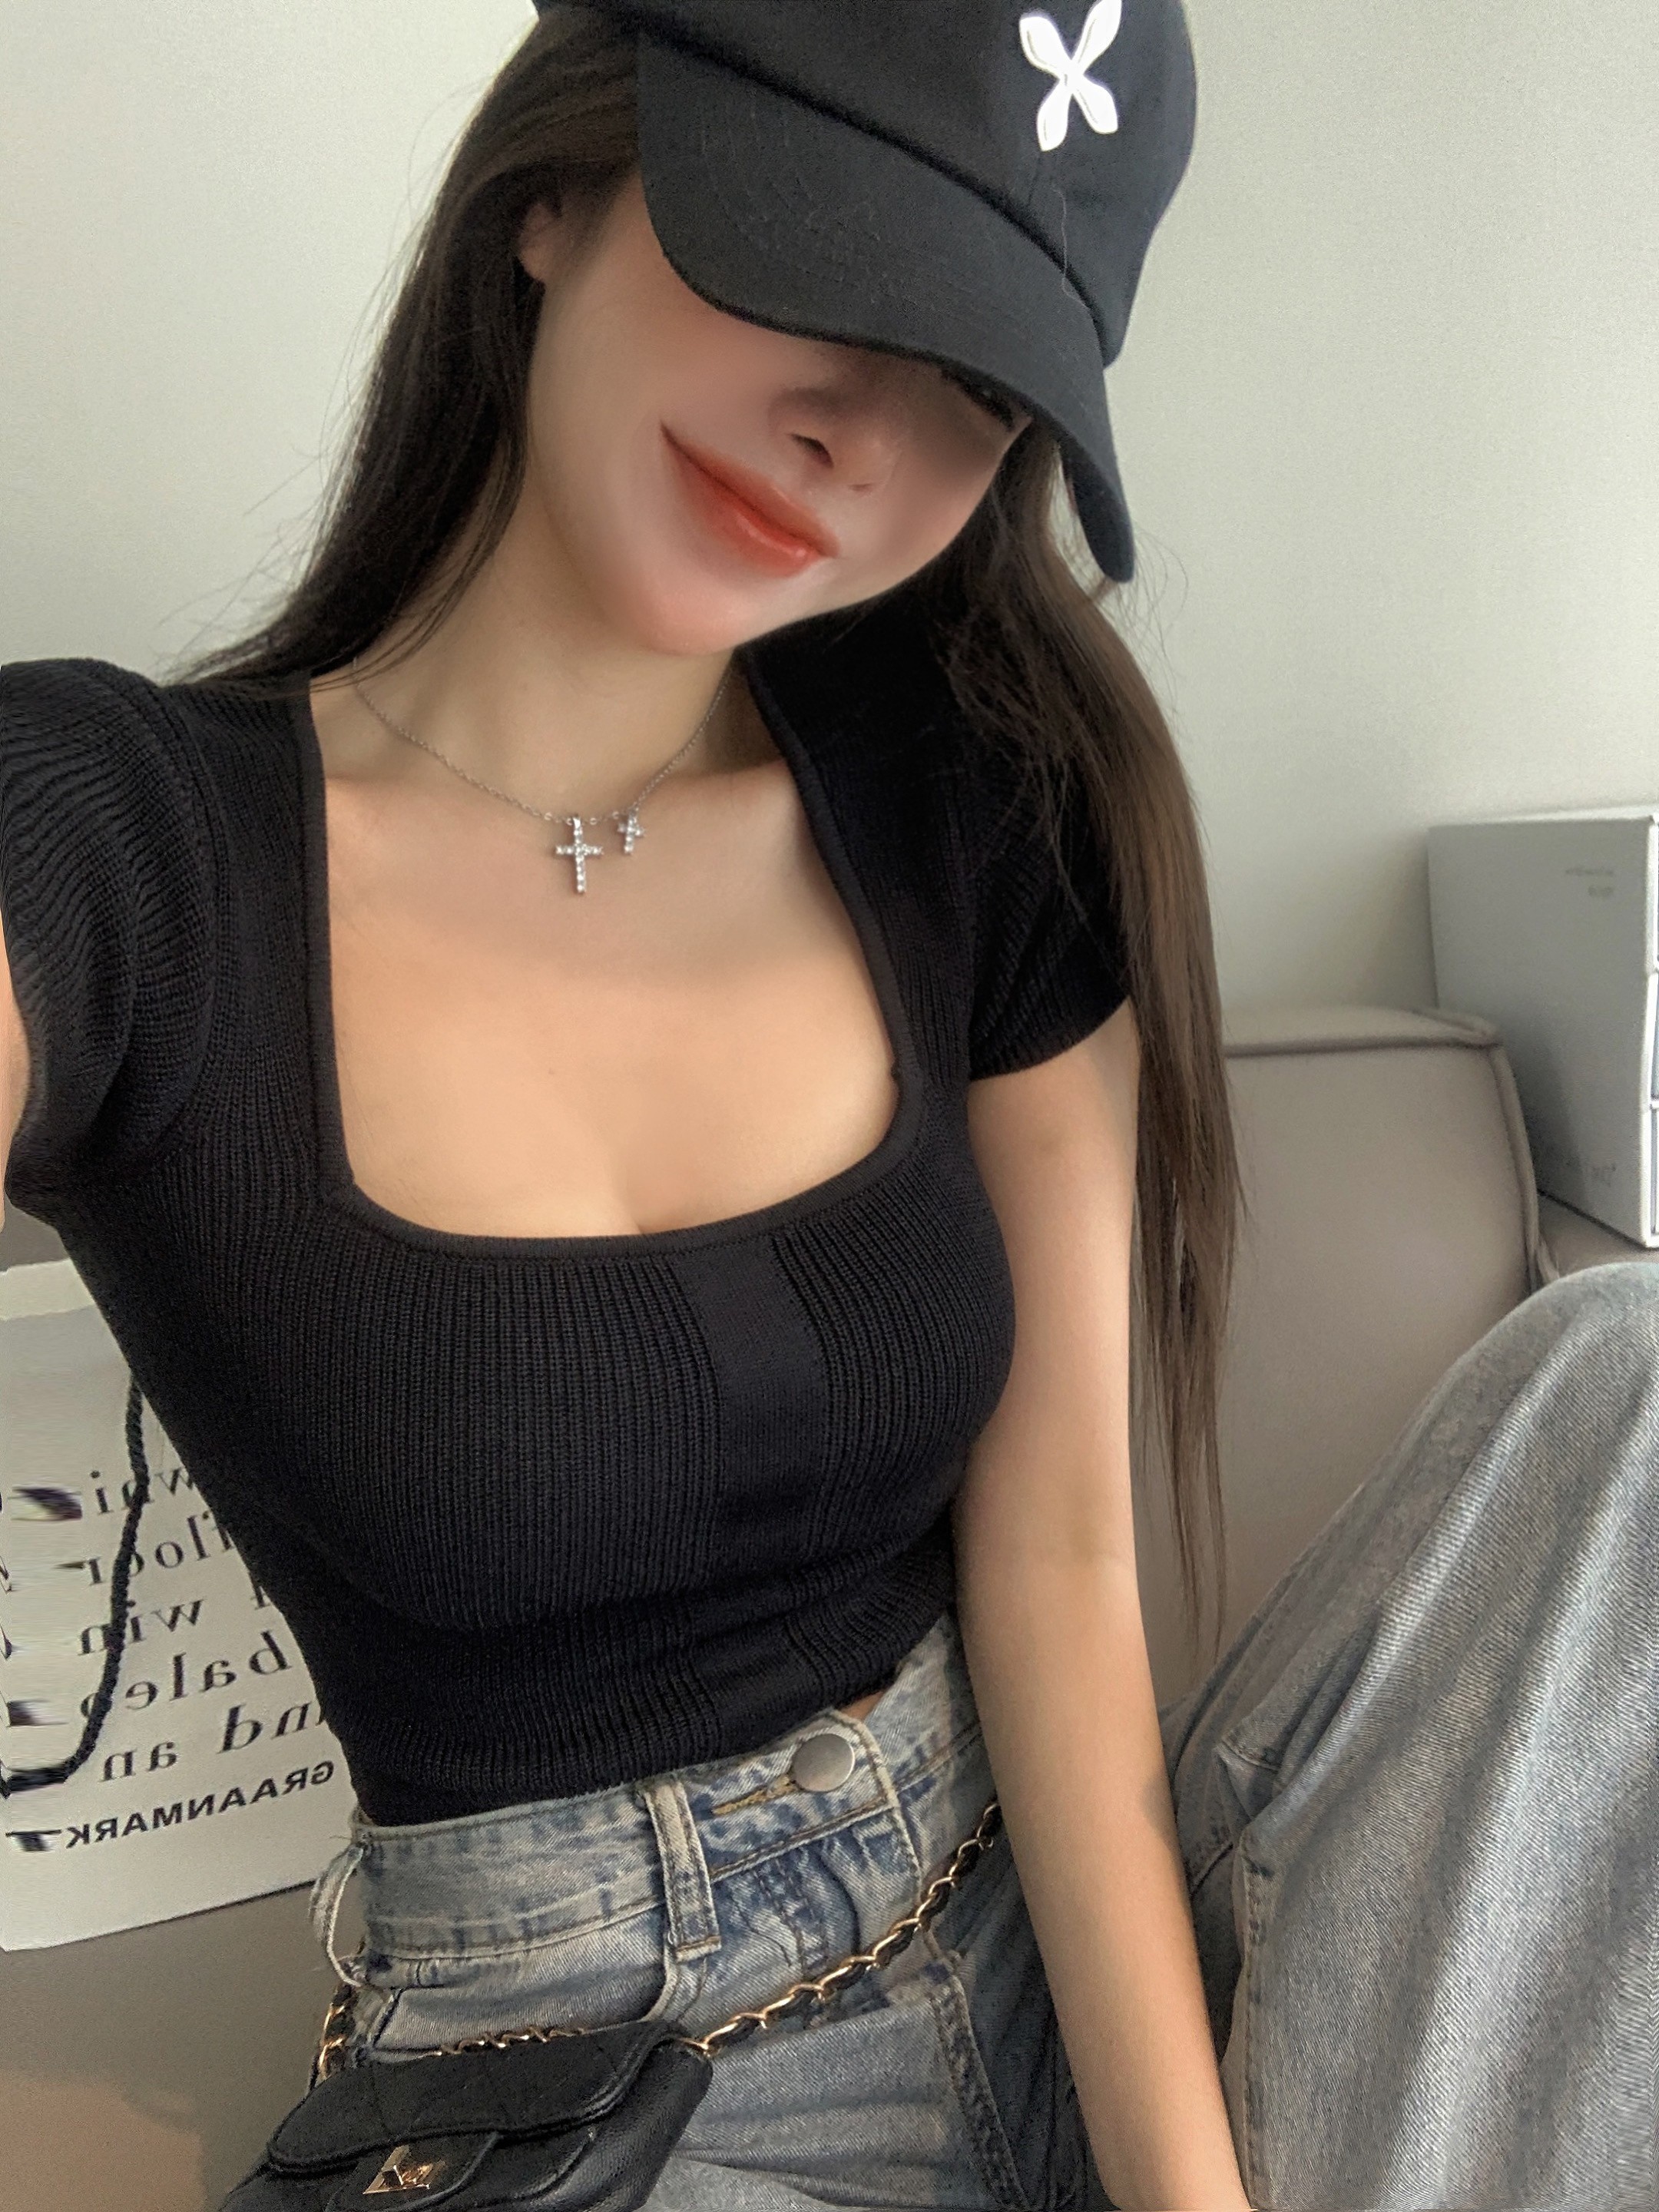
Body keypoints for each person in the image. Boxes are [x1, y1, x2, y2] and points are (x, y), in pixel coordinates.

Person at [2, 6, 1654, 2209]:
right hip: (588, 2100)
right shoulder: (116, 844)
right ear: (555, 188)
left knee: (1629, 1389)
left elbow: (1057, 1563)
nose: (857, 439)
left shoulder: (976, 800)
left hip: (1074, 1942)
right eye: (816, 255)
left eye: (972, 387)